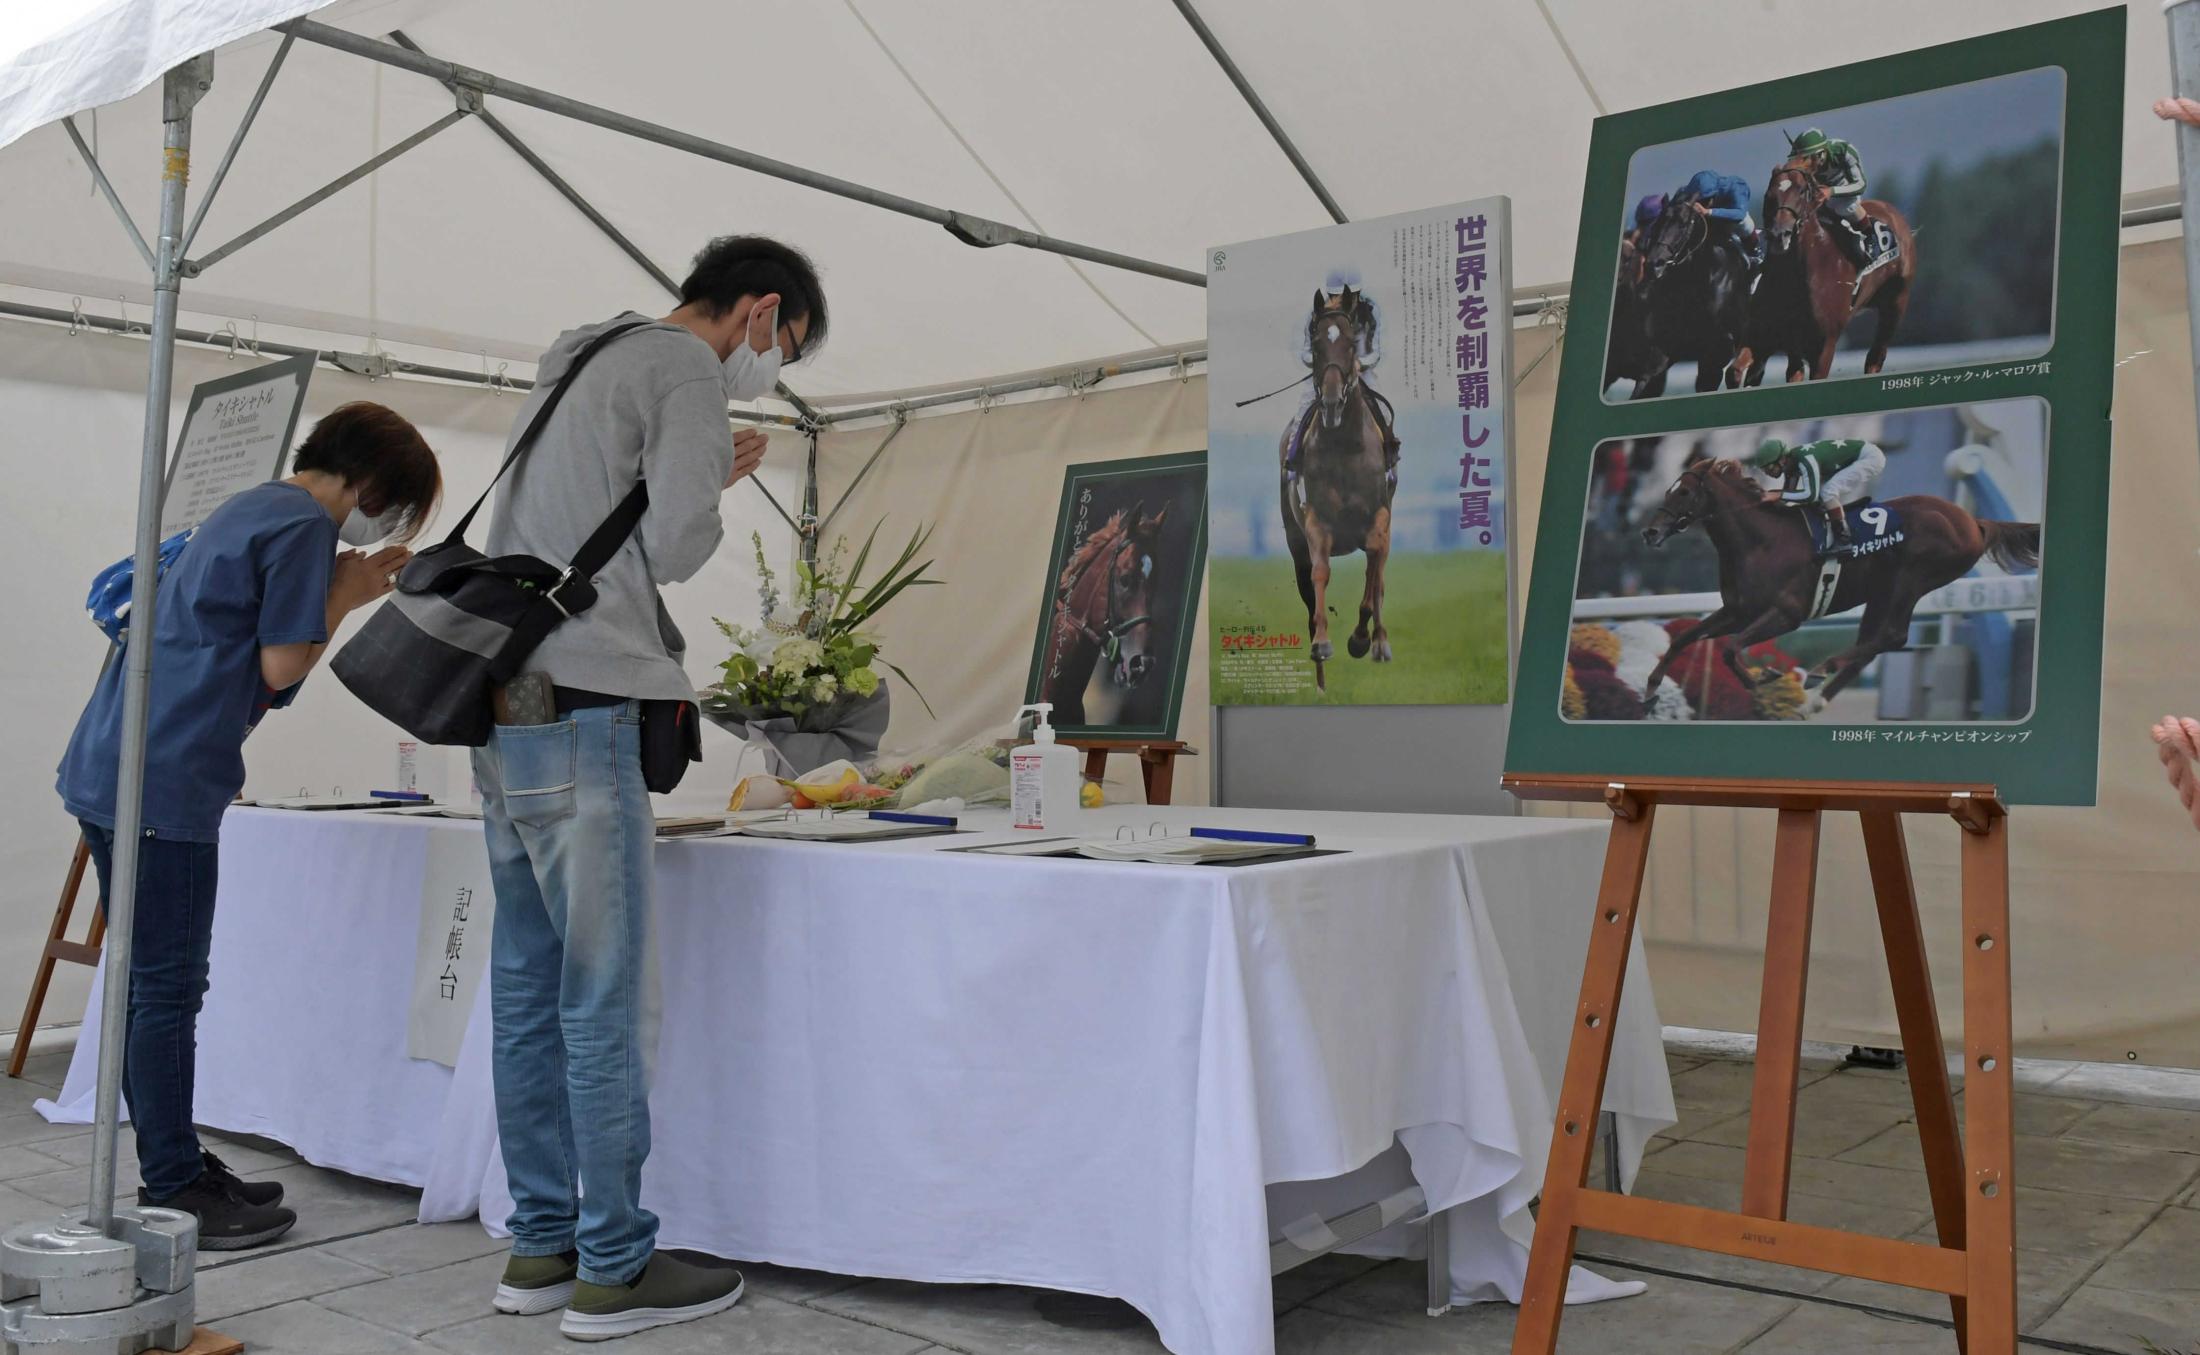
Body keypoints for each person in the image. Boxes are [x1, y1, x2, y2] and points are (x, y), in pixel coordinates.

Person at [476, 235, 821, 1342]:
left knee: (530, 981)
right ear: (759, 311)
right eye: (786, 346)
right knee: (602, 989)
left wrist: (684, 473)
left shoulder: (581, 356)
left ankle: (541, 1244)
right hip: (588, 695)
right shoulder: (682, 369)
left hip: (506, 697)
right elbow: (672, 549)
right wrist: (712, 481)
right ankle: (615, 1264)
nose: (769, 369)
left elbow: (593, 513)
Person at [54, 402, 439, 1249]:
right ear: (374, 485)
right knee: (165, 990)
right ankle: (175, 1182)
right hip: (168, 778)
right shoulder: (305, 526)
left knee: (148, 985)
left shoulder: (249, 504)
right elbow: (281, 664)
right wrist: (348, 596)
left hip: (114, 764)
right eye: (399, 506)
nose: (386, 525)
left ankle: (176, 1158)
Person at [1749, 436, 1887, 552]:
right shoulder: (1791, 465)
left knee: (1827, 491)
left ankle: (1844, 540)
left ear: (1782, 460)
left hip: (1870, 457)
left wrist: (1776, 495)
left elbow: (1809, 495)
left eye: (1769, 468)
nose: (1767, 473)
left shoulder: (1805, 460)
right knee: (1822, 494)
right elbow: (1786, 497)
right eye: (1764, 470)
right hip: (1857, 456)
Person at [1788, 128, 1891, 272]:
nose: (1804, 164)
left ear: (1821, 154)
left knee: (1843, 206)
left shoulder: (1845, 151)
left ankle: (1870, 235)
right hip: (1822, 190)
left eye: (1807, 159)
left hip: (1844, 185)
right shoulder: (1806, 166)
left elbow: (1861, 185)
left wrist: (1831, 191)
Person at [1674, 169, 1763, 271]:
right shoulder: (1686, 192)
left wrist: (1708, 212)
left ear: (1715, 193)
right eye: (1698, 201)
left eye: (1705, 200)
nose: (1701, 203)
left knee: (1745, 222)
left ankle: (1754, 250)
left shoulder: (1737, 186)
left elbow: (1740, 214)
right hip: (1710, 223)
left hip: (1731, 221)